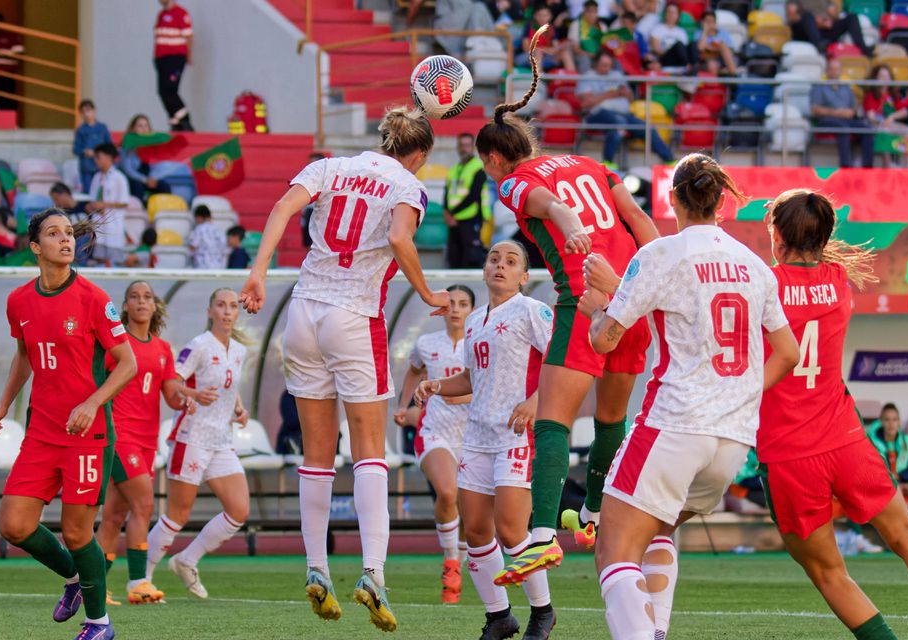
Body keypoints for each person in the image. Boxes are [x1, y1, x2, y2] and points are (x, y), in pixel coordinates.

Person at [239, 106, 450, 632]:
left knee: (316, 454)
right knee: (369, 451)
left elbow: (283, 208)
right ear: (419, 154)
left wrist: (259, 272)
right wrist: (427, 293)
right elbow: (400, 238)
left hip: (303, 310)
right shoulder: (407, 184)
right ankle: (373, 574)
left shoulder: (331, 166)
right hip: (354, 315)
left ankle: (316, 568)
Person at [582, 153, 799, 640]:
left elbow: (606, 339)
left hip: (674, 426)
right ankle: (656, 631)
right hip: (732, 439)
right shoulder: (753, 264)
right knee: (660, 529)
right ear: (722, 201)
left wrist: (598, 306)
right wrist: (737, 393)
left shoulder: (661, 253)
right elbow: (785, 351)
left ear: (671, 198)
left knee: (613, 551)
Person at [476, 26, 659, 585]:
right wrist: (659, 281)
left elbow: (547, 203)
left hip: (584, 303)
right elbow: (639, 221)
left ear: (493, 158)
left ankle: (538, 539)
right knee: (610, 418)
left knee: (553, 422)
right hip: (634, 302)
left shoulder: (514, 181)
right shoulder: (589, 163)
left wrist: (570, 223)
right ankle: (597, 513)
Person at [759, 188, 908, 640]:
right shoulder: (837, 279)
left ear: (777, 235)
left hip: (788, 453)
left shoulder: (762, 284)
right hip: (847, 439)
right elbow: (813, 256)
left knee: (831, 573)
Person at [0, 208, 137, 640]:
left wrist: (92, 402)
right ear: (35, 247)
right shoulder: (19, 301)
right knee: (14, 524)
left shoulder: (93, 298)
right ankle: (74, 579)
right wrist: (2, 404)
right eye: (54, 234)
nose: (65, 240)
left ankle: (99, 624)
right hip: (42, 431)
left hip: (88, 435)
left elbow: (127, 364)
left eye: (69, 233)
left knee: (75, 531)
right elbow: (25, 355)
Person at [415, 241, 556, 640]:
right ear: (484, 269)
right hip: (476, 436)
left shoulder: (532, 311)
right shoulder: (476, 320)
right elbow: (471, 380)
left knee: (511, 529)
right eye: (494, 259)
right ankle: (500, 617)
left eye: (511, 262)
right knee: (476, 531)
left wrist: (535, 401)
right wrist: (438, 384)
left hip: (516, 435)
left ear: (524, 276)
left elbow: (561, 364)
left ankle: (543, 613)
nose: (500, 265)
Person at [145, 288, 251, 599]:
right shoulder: (199, 346)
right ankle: (143, 578)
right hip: (192, 437)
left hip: (221, 440)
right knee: (179, 513)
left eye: (232, 306)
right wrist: (193, 395)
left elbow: (230, 387)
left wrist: (239, 408)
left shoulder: (239, 351)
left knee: (239, 510)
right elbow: (173, 381)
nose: (227, 312)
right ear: (210, 311)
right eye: (221, 305)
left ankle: (187, 560)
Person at [96, 281, 193, 606]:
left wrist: (187, 400)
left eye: (147, 297)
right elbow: (96, 382)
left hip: (146, 440)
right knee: (144, 506)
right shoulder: (116, 345)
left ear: (155, 306)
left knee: (113, 514)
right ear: (124, 307)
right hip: (119, 435)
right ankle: (139, 583)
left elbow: (170, 394)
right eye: (134, 297)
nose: (141, 302)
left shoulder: (163, 349)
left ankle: (90, 586)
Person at [394, 285, 476, 604]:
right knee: (447, 492)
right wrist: (404, 406)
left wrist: (461, 395)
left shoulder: (481, 342)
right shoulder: (426, 344)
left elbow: (487, 385)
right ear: (441, 309)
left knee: (473, 514)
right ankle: (451, 562)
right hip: (434, 431)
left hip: (474, 436)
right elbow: (413, 371)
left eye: (463, 304)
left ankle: (465, 559)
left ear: (472, 310)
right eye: (450, 303)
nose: (455, 309)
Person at [576, 50, 675, 166]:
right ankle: (607, 162)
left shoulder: (616, 75)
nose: (607, 68)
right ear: (596, 64)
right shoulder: (588, 77)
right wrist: (610, 94)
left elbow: (631, 98)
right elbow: (586, 103)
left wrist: (625, 93)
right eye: (604, 65)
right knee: (619, 122)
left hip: (623, 114)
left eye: (609, 65)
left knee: (647, 127)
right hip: (596, 113)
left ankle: (669, 160)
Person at [867, 403, 908, 533]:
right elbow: (872, 472)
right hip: (884, 483)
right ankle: (894, 536)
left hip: (905, 480)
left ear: (899, 422)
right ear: (881, 422)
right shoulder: (872, 442)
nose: (891, 424)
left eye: (894, 420)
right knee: (896, 492)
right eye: (887, 420)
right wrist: (896, 483)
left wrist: (902, 480)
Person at [811, 58, 874, 169]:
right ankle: (846, 167)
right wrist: (836, 113)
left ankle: (868, 167)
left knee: (866, 128)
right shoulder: (819, 87)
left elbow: (854, 108)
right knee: (842, 128)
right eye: (832, 69)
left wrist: (851, 112)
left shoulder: (846, 87)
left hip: (847, 119)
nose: (835, 72)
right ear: (827, 71)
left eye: (837, 69)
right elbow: (815, 109)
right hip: (826, 120)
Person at [445, 133, 491, 269]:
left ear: (473, 148)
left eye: (467, 145)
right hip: (454, 221)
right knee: (454, 259)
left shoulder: (479, 167)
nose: (464, 148)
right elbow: (446, 193)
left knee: (471, 259)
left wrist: (452, 213)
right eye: (461, 145)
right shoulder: (453, 170)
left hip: (471, 219)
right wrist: (446, 212)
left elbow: (473, 195)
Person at [86, 143, 131, 266]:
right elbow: (92, 199)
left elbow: (124, 202)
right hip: (99, 222)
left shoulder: (119, 178)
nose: (96, 160)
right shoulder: (97, 177)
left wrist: (104, 204)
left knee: (114, 261)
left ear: (108, 157)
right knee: (99, 259)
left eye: (98, 157)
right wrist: (93, 206)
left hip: (113, 223)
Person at [154, 0, 194, 131]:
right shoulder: (161, 14)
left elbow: (189, 37)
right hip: (161, 59)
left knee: (170, 90)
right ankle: (175, 121)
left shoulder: (180, 13)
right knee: (162, 91)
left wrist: (189, 56)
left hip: (175, 58)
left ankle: (185, 120)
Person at [120, 114, 173, 204]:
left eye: (146, 126)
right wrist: (144, 179)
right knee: (137, 187)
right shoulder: (127, 145)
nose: (144, 129)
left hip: (150, 178)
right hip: (135, 179)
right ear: (133, 128)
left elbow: (157, 165)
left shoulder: (153, 144)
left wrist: (153, 177)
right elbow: (128, 170)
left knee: (165, 186)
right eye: (140, 126)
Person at [788, 0, 871, 57]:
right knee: (807, 16)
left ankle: (863, 49)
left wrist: (829, 21)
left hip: (825, 30)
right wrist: (816, 22)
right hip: (806, 32)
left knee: (852, 17)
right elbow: (792, 17)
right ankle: (819, 46)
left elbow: (835, 14)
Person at [73, 100, 112, 193]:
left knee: (104, 192)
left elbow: (109, 145)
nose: (86, 114)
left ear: (94, 110)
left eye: (88, 110)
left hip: (102, 167)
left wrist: (99, 153)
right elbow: (76, 149)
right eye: (83, 112)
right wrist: (85, 151)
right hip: (87, 167)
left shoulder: (102, 128)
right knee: (89, 192)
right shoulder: (80, 130)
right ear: (81, 114)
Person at [692, 10, 738, 75]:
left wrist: (711, 47)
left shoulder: (723, 33)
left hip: (722, 58)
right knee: (712, 65)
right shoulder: (699, 33)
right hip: (706, 58)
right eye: (707, 21)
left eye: (711, 21)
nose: (709, 24)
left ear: (715, 22)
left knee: (722, 45)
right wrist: (705, 31)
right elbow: (700, 48)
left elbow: (730, 49)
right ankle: (732, 73)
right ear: (702, 22)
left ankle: (732, 72)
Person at [567, 1, 607, 72]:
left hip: (598, 55)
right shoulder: (576, 25)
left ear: (597, 13)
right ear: (584, 12)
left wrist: (599, 55)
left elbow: (605, 46)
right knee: (584, 59)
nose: (591, 14)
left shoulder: (602, 26)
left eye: (594, 12)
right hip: (581, 55)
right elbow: (576, 49)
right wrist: (590, 55)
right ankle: (585, 82)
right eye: (589, 12)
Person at [649, 3, 690, 68]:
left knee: (692, 45)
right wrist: (671, 52)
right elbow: (656, 49)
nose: (671, 14)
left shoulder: (682, 32)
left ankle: (688, 66)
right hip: (664, 58)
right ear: (665, 14)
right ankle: (687, 67)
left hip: (679, 59)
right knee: (678, 45)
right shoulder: (657, 29)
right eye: (669, 12)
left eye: (673, 12)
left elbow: (684, 51)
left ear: (678, 16)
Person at [300, 151, 327, 249]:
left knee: (318, 245)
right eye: (310, 163)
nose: (311, 165)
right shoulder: (306, 176)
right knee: (308, 244)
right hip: (308, 211)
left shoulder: (328, 177)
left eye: (314, 163)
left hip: (321, 212)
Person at [188, 204, 227, 269]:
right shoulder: (218, 229)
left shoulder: (198, 229)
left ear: (198, 217)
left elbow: (193, 247)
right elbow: (224, 247)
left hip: (202, 267)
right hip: (218, 267)